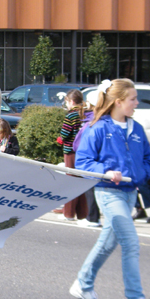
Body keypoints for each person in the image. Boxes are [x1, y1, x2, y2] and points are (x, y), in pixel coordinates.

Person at [73, 78, 150, 299]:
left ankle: (83, 283)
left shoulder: (137, 128)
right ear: (119, 102)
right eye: (133, 99)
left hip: (131, 192)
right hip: (108, 192)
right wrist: (107, 172)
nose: (137, 103)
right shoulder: (97, 128)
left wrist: (142, 174)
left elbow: (148, 157)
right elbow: (83, 163)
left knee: (108, 243)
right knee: (130, 243)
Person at [57, 89, 87, 220]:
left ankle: (68, 213)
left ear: (71, 101)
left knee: (70, 182)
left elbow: (65, 134)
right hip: (84, 151)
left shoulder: (71, 116)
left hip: (70, 151)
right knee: (80, 181)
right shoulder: (86, 113)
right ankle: (83, 213)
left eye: (67, 102)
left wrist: (59, 139)